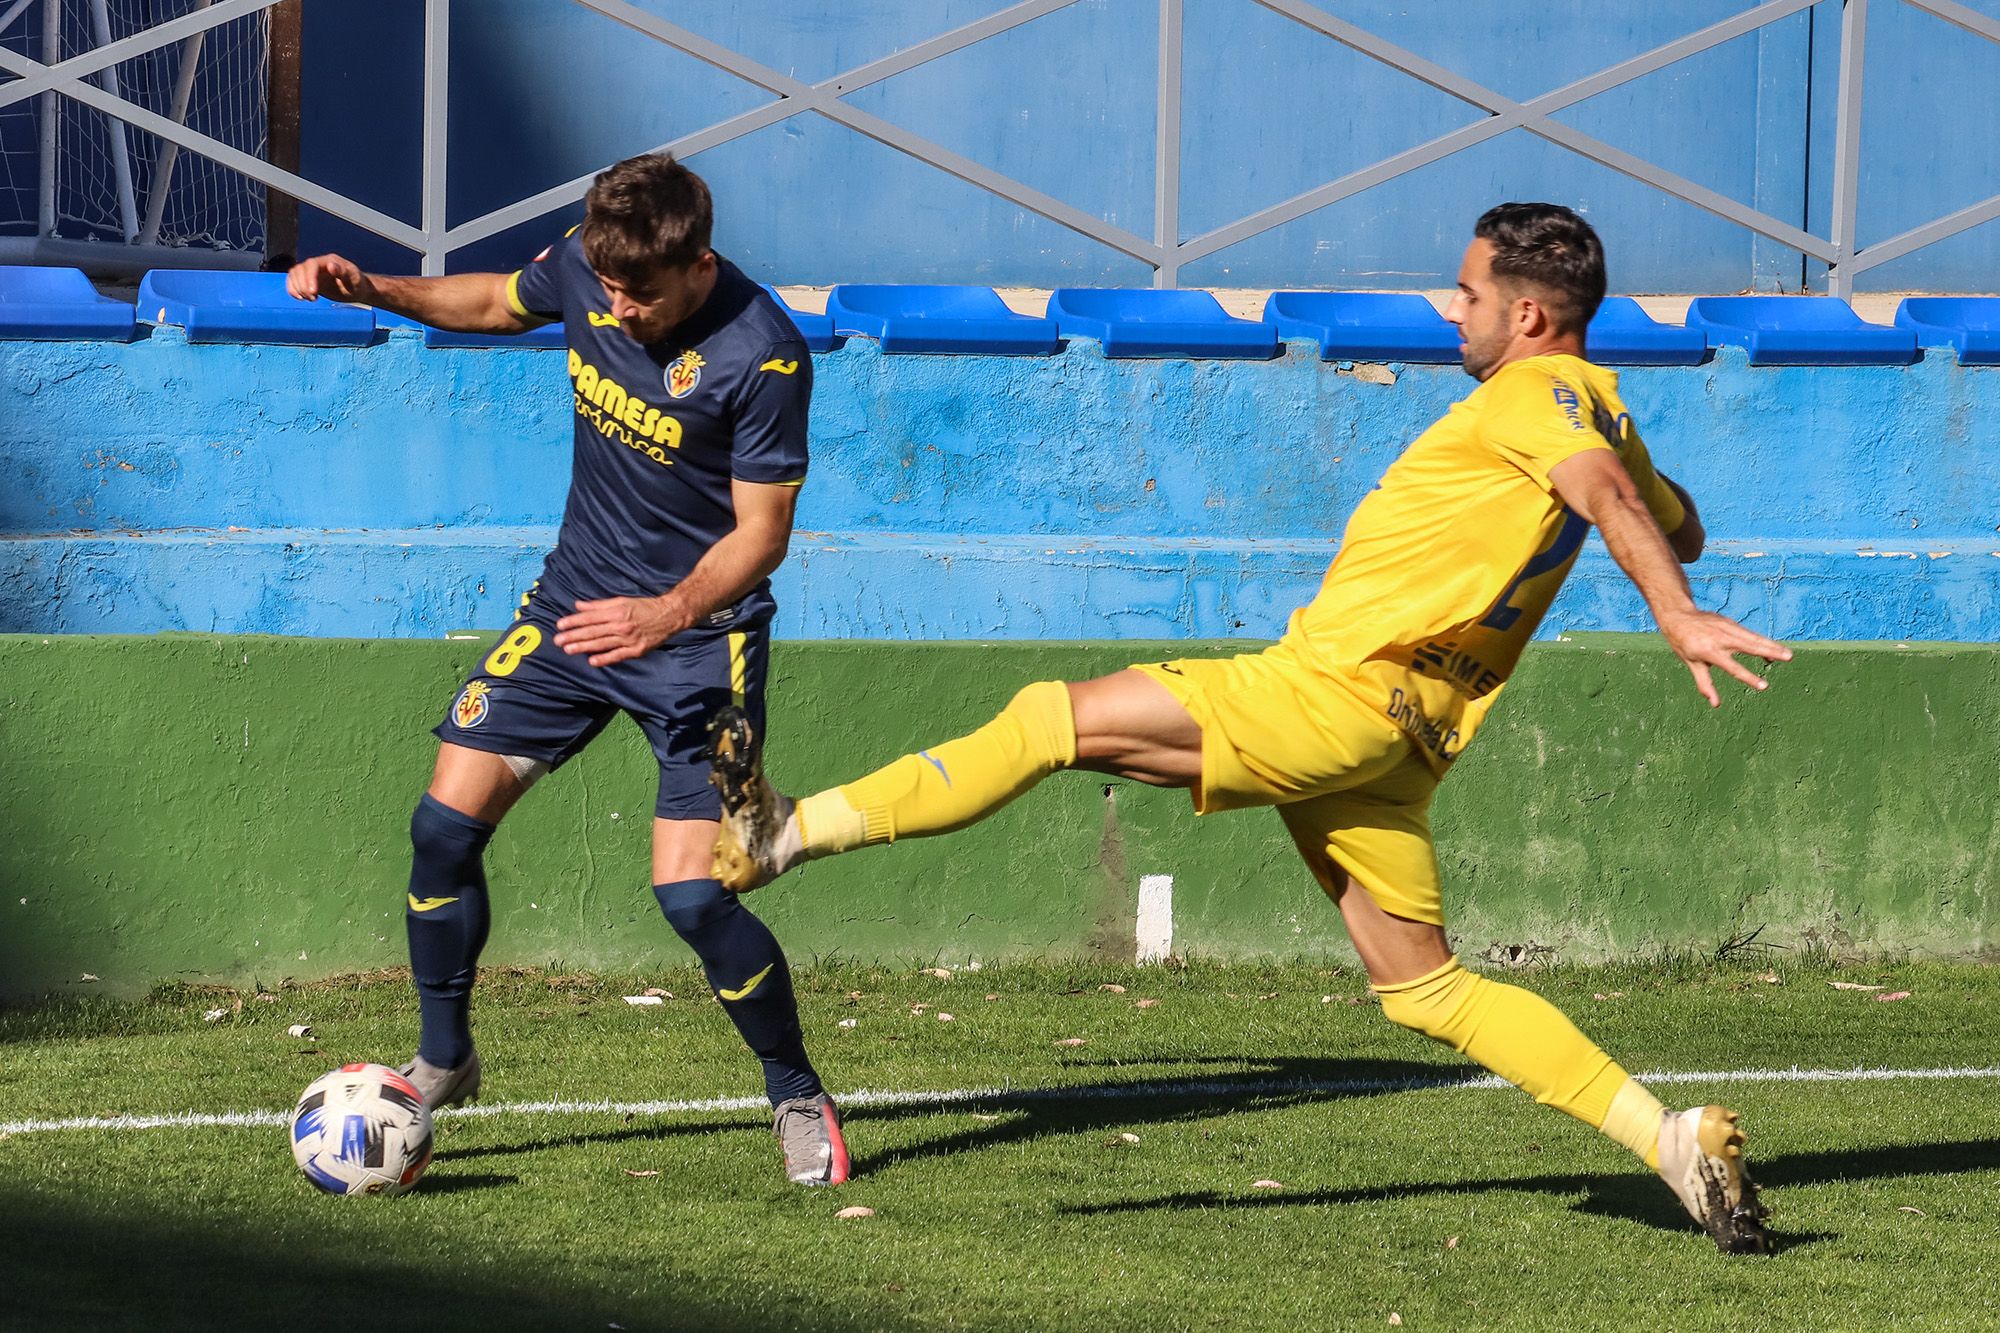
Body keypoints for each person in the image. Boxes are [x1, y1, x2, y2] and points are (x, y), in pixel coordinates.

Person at [707, 202, 1789, 1243]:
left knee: (1048, 718)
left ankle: (788, 833)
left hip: (1329, 695)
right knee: (1425, 989)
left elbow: (1607, 494)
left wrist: (1675, 613)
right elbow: (1664, 516)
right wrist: (1646, 510)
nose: (1446, 311)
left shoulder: (1532, 397)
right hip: (1400, 741)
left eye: (1466, 295)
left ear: (1530, 317)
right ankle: (1666, 1138)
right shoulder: (1589, 401)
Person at [286, 152, 849, 1186]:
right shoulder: (590, 267)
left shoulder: (761, 356)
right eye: (608, 287)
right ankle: (445, 1056)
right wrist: (379, 288)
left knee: (694, 900)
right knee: (441, 825)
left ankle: (795, 1090)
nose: (618, 308)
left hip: (696, 648)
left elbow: (761, 534)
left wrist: (669, 610)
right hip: (570, 610)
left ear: (699, 263)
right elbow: (497, 302)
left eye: (641, 293)